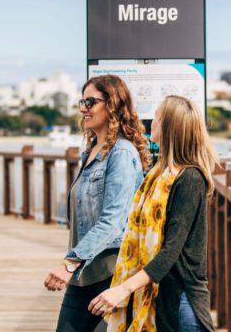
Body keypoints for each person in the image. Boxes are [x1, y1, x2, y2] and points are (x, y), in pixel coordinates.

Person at [88, 95, 218, 332]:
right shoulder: (157, 176)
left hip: (180, 301)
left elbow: (171, 251)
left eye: (157, 118)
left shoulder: (189, 178)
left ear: (169, 127)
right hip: (158, 297)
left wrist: (123, 289)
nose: (151, 124)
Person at [44, 75, 151, 332]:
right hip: (85, 275)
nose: (83, 108)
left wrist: (70, 263)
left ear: (112, 104)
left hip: (110, 273)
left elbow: (113, 222)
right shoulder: (92, 151)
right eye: (82, 101)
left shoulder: (122, 153)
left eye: (91, 101)